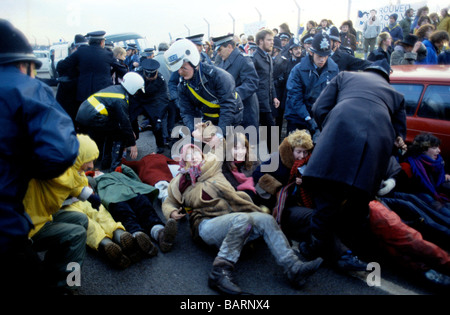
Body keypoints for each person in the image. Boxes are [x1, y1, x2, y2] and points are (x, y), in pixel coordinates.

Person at [162, 143, 323, 295]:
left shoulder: (213, 166)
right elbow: (169, 201)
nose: (193, 157)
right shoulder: (180, 182)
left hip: (231, 216)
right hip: (206, 224)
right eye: (188, 156)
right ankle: (219, 271)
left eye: (195, 152)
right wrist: (171, 212)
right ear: (183, 160)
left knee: (265, 219)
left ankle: (293, 267)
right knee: (243, 220)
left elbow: (222, 143)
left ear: (201, 154)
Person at [300, 60, 407, 265]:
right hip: (376, 145)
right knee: (358, 204)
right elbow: (399, 136)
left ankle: (314, 248)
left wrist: (331, 129)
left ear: (366, 70)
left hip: (340, 136)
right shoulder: (396, 95)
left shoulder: (345, 76)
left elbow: (319, 107)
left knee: (327, 198)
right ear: (386, 77)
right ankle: (358, 252)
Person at [0, 19, 80, 295]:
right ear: (23, 64)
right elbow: (60, 153)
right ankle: (69, 285)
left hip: (27, 217)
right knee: (79, 230)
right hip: (9, 224)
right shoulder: (24, 88)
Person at [90, 164, 178, 254]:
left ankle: (160, 234)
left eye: (98, 170)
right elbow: (87, 188)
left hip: (133, 192)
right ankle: (139, 238)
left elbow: (133, 176)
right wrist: (89, 175)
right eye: (95, 172)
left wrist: (122, 168)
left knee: (146, 211)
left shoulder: (116, 173)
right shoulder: (95, 181)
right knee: (127, 217)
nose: (97, 171)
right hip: (114, 199)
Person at [164, 38, 243, 138]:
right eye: (177, 69)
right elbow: (187, 111)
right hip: (210, 120)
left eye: (183, 67)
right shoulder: (183, 86)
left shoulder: (219, 76)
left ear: (193, 62)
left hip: (231, 119)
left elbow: (228, 106)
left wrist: (219, 135)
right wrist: (194, 131)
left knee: (233, 150)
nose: (180, 72)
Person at [76, 71, 145, 171]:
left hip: (85, 113)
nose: (138, 92)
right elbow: (124, 123)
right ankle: (115, 168)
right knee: (120, 133)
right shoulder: (121, 99)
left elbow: (117, 118)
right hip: (93, 116)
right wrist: (132, 143)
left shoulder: (117, 89)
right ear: (133, 87)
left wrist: (129, 133)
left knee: (112, 130)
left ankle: (105, 162)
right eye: (138, 90)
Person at [284, 32, 339, 140]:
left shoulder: (334, 69)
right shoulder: (298, 70)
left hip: (320, 117)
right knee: (295, 151)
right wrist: (308, 118)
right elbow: (295, 98)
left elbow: (335, 95)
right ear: (311, 52)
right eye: (319, 56)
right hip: (298, 116)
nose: (322, 60)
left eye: (325, 56)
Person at [56, 31, 123, 105]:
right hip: (103, 94)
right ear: (101, 42)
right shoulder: (108, 54)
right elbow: (122, 69)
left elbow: (61, 66)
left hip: (84, 95)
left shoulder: (81, 51)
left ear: (90, 41)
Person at [213, 34, 260, 132]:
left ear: (229, 47)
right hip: (232, 112)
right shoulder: (223, 62)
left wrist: (231, 95)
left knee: (247, 145)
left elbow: (252, 83)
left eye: (220, 50)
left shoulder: (243, 60)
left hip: (245, 112)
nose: (218, 53)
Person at [130, 58, 170, 154]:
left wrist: (160, 115)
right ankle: (131, 141)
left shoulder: (160, 79)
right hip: (137, 99)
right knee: (129, 119)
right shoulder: (136, 74)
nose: (149, 78)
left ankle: (160, 145)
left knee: (157, 123)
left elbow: (164, 97)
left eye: (152, 77)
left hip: (152, 101)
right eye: (147, 76)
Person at [253, 28, 280, 154]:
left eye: (272, 40)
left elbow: (270, 79)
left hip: (268, 102)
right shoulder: (254, 59)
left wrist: (274, 96)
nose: (272, 42)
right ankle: (273, 161)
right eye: (269, 40)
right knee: (269, 134)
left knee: (269, 134)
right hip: (259, 103)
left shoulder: (268, 57)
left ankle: (271, 161)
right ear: (260, 41)